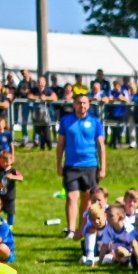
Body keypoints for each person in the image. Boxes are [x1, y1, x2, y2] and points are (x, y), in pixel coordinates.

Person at [57, 92, 106, 239]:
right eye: (79, 103)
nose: (82, 106)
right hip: (71, 165)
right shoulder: (66, 121)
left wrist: (103, 167)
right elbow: (60, 144)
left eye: (85, 103)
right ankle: (71, 230)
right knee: (72, 197)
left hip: (90, 165)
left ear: (89, 105)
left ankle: (83, 228)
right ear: (74, 104)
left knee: (87, 198)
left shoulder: (95, 121)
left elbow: (101, 146)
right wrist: (59, 164)